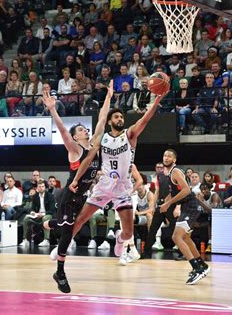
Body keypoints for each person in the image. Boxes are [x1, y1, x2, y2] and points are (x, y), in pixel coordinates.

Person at [69, 87, 167, 272]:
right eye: (116, 117)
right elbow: (89, 156)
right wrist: (76, 179)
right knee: (81, 218)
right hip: (104, 186)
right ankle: (62, 248)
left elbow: (145, 118)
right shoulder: (102, 138)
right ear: (110, 122)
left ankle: (121, 241)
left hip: (123, 188)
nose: (120, 119)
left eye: (121, 117)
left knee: (128, 231)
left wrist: (156, 100)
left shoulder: (129, 135)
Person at [41, 81, 115, 294]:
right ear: (76, 136)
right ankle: (60, 272)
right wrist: (53, 109)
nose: (86, 130)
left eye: (85, 128)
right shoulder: (74, 149)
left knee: (70, 227)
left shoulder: (92, 146)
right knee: (67, 234)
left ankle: (50, 223)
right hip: (69, 195)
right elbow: (63, 130)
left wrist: (109, 97)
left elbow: (102, 119)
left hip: (81, 196)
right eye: (81, 129)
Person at [160, 149, 210, 285]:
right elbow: (175, 191)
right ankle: (202, 265)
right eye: (165, 155)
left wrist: (170, 203)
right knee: (186, 238)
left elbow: (187, 190)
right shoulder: (169, 174)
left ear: (174, 160)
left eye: (169, 156)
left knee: (177, 237)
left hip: (191, 206)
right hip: (186, 207)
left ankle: (197, 269)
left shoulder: (175, 171)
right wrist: (166, 202)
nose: (166, 157)